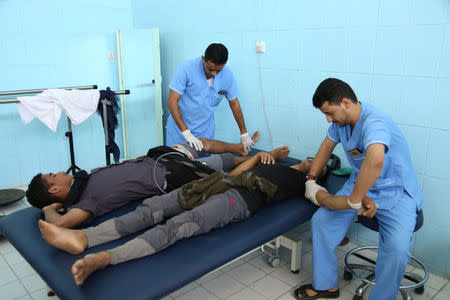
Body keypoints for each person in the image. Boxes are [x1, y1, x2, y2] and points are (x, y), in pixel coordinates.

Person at [38, 150, 377, 286]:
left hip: (236, 200)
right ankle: (84, 238)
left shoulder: (306, 186)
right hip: (216, 183)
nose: (310, 163)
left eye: (319, 164)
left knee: (174, 228)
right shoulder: (278, 165)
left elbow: (328, 200)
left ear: (321, 170)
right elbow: (238, 168)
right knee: (151, 209)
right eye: (311, 161)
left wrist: (352, 203)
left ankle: (103, 257)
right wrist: (264, 156)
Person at [296, 78, 424, 300]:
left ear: (345, 102)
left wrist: (353, 201)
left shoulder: (376, 122)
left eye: (329, 113)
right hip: (359, 184)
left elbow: (375, 161)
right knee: (322, 222)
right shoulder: (341, 124)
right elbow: (326, 148)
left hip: (395, 191)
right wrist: (311, 178)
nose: (328, 119)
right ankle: (326, 286)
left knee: (396, 249)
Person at [26, 133, 271, 228]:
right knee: (221, 175)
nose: (58, 171)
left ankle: (243, 152)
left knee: (203, 144)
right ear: (56, 188)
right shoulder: (87, 201)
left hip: (160, 157)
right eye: (53, 175)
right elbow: (60, 224)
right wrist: (49, 209)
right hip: (170, 176)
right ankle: (259, 161)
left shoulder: (84, 180)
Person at [166, 43, 253, 152]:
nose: (214, 74)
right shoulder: (186, 69)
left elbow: (234, 103)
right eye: (210, 69)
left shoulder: (227, 75)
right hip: (180, 129)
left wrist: (244, 133)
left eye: (218, 70)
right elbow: (172, 101)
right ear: (203, 58)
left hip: (205, 129)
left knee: (204, 165)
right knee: (176, 162)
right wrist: (186, 133)